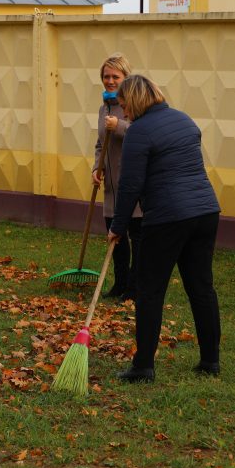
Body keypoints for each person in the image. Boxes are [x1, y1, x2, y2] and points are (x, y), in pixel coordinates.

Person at [107, 75, 222, 383]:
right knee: (201, 287)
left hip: (168, 217)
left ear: (134, 101)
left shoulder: (139, 132)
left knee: (149, 291)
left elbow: (129, 185)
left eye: (124, 107)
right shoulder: (184, 120)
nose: (123, 114)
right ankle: (210, 361)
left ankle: (143, 366)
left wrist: (117, 226)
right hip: (206, 211)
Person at [92, 53, 142, 301]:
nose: (110, 81)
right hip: (111, 188)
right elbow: (100, 144)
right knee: (116, 241)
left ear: (126, 77)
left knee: (136, 240)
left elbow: (142, 134)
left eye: (115, 76)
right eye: (106, 76)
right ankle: (120, 283)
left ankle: (134, 287)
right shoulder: (103, 107)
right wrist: (96, 168)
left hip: (132, 187)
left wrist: (120, 126)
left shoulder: (135, 105)